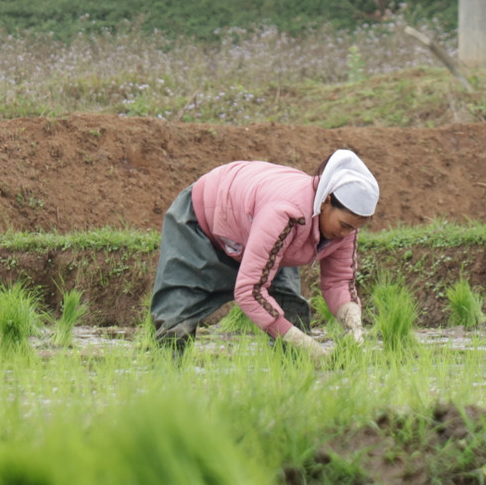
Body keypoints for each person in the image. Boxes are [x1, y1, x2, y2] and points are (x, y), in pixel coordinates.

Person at [150, 149, 378, 360]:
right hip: (206, 219)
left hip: (261, 229)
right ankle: (165, 391)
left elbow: (339, 281)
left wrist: (353, 328)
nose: (345, 233)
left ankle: (292, 392)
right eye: (345, 225)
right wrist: (304, 343)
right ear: (326, 201)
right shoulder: (286, 214)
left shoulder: (345, 229)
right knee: (175, 320)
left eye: (353, 228)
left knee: (290, 312)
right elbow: (249, 291)